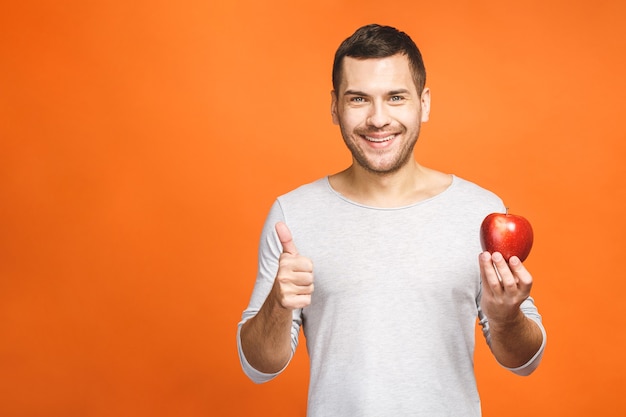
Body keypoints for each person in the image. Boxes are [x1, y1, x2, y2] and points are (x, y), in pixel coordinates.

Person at [237, 23, 546, 416]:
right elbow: (258, 368)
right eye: (358, 99)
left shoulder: (480, 211)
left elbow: (525, 361)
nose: (378, 118)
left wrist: (505, 318)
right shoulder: (292, 215)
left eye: (396, 97)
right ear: (335, 107)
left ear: (425, 103)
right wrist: (278, 307)